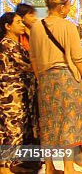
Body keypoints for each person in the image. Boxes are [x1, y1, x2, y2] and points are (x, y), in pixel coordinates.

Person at [28, 0, 82, 174]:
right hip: (65, 79)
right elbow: (78, 57)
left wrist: (41, 77)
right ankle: (68, 167)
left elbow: (33, 58)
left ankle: (49, 166)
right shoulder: (68, 26)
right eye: (69, 5)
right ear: (61, 7)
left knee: (48, 123)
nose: (70, 8)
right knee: (69, 123)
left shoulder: (36, 27)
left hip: (45, 80)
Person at [0, 12, 35, 174]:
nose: (22, 25)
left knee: (17, 129)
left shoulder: (15, 43)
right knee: (11, 129)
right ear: (7, 26)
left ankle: (12, 164)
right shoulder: (9, 44)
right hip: (11, 96)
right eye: (18, 22)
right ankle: (4, 166)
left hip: (19, 94)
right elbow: (29, 64)